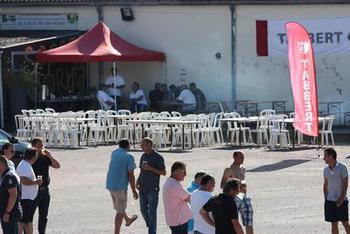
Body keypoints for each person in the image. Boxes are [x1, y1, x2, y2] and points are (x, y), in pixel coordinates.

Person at [106, 139, 138, 234]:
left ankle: (128, 220)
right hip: (120, 186)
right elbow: (131, 175)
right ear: (128, 146)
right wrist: (134, 190)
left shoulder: (114, 153)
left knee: (119, 207)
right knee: (119, 212)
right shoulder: (129, 156)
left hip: (110, 184)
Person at [137, 137, 166, 234]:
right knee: (143, 209)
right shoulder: (143, 156)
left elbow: (163, 172)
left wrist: (150, 168)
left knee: (152, 212)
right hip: (143, 187)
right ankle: (151, 225)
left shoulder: (158, 157)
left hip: (153, 188)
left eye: (143, 145)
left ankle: (152, 231)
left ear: (149, 145)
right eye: (141, 145)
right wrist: (138, 180)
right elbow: (141, 170)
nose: (141, 147)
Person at [32, 138, 60, 234]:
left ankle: (42, 232)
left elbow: (57, 166)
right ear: (34, 146)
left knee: (43, 215)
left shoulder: (45, 157)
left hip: (45, 190)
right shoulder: (30, 158)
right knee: (29, 215)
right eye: (39, 145)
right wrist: (35, 154)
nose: (41, 147)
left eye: (42, 145)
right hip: (33, 190)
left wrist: (50, 155)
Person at [323, 147, 350, 234]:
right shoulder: (325, 169)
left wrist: (342, 198)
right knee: (333, 224)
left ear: (331, 156)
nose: (324, 158)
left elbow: (345, 184)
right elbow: (325, 184)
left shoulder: (343, 167)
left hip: (342, 200)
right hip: (330, 201)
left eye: (325, 156)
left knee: (345, 223)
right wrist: (326, 198)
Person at [16, 148, 43, 234]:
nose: (36, 158)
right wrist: (36, 182)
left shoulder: (26, 164)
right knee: (24, 222)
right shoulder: (24, 165)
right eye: (36, 156)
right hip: (25, 199)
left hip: (28, 198)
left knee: (25, 221)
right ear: (31, 156)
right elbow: (23, 180)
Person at [163, 161, 192, 234]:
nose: (185, 175)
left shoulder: (171, 183)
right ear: (177, 171)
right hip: (179, 222)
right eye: (184, 172)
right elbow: (190, 198)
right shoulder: (174, 185)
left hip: (176, 221)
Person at [0, 156, 22, 234]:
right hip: (9, 212)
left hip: (11, 213)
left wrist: (7, 213)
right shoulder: (6, 175)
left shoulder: (9, 176)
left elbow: (13, 195)